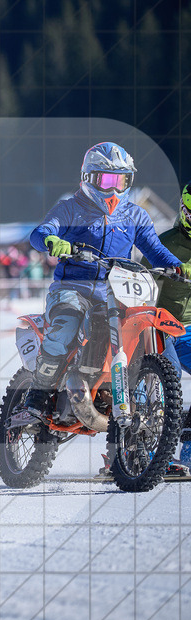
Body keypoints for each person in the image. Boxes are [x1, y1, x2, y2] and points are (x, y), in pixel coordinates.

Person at [21, 142, 191, 423]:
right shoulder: (70, 208)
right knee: (66, 327)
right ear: (89, 178)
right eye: (107, 180)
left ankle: (130, 404)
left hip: (116, 291)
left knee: (135, 334)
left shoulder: (135, 215)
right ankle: (36, 397)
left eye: (121, 181)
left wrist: (175, 265)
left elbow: (154, 249)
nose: (114, 189)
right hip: (72, 289)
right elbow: (40, 232)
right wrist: (52, 241)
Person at [146, 183, 191, 471]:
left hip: (188, 329)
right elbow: (137, 279)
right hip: (159, 325)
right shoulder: (165, 243)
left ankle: (189, 448)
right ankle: (143, 449)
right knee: (166, 377)